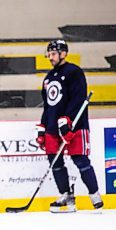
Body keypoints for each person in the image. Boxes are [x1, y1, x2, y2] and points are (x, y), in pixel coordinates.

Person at [36, 39, 103, 213]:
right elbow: (48, 105)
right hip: (52, 126)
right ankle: (66, 196)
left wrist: (67, 120)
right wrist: (43, 126)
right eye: (49, 54)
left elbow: (78, 99)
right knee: (54, 160)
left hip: (75, 123)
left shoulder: (74, 72)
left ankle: (95, 196)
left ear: (63, 53)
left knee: (80, 159)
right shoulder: (48, 78)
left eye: (53, 54)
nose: (50, 57)